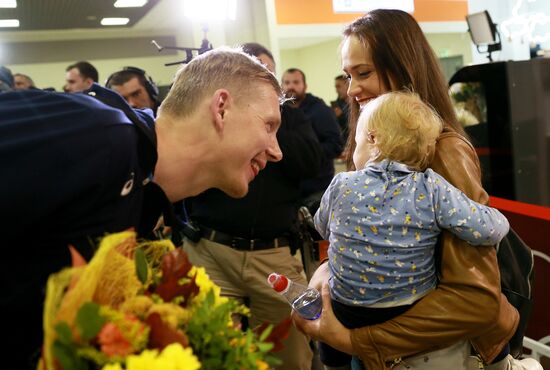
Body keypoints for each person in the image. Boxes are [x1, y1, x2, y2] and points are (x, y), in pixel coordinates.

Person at [0, 47, 283, 368]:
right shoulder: (99, 131)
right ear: (221, 108)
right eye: (270, 126)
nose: (277, 152)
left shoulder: (151, 208)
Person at [292, 9, 532, 370]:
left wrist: (355, 339)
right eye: (347, 75)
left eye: (364, 73)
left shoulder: (444, 152)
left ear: (402, 69)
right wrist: (326, 274)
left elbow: (475, 301)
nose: (351, 88)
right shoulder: (375, 151)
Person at [314, 91, 510, 369]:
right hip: (407, 308)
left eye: (356, 141)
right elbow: (486, 229)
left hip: (348, 309)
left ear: (372, 138)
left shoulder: (341, 184)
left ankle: (334, 363)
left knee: (327, 319)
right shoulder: (429, 187)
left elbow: (322, 228)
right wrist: (500, 218)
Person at [182, 42, 322, 370]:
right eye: (249, 72)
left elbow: (311, 164)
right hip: (211, 249)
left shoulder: (291, 117)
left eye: (265, 72)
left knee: (290, 356)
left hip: (272, 258)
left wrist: (267, 122)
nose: (259, 78)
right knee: (209, 352)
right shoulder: (212, 113)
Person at [281, 68, 343, 212]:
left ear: (305, 86)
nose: (291, 86)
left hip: (317, 188)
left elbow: (335, 144)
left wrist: (306, 156)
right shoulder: (279, 112)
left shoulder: (320, 110)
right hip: (290, 190)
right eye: (287, 82)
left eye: (296, 82)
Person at [331, 74, 350, 140]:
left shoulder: (360, 103)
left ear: (348, 85)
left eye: (338, 86)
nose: (336, 90)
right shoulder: (335, 106)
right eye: (335, 87)